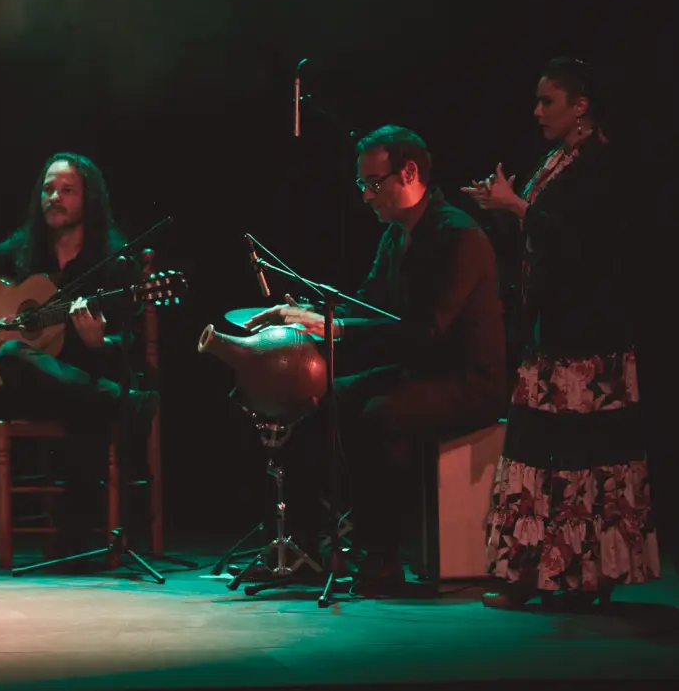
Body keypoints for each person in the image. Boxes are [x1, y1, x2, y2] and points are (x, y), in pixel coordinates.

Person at [246, 125, 506, 595]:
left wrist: (338, 328)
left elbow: (428, 332)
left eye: (373, 182)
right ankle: (301, 546)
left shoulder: (458, 236)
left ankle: (381, 559)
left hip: (468, 380)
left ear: (409, 172)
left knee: (377, 415)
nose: (366, 195)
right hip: (417, 372)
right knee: (315, 401)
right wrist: (307, 315)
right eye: (361, 184)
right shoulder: (395, 236)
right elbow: (364, 305)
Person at [464, 57, 658, 608]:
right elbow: (541, 238)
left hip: (587, 342)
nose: (537, 111)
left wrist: (517, 206)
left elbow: (584, 246)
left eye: (548, 101)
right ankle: (535, 576)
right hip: (552, 334)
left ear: (581, 106)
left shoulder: (602, 164)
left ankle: (576, 581)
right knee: (538, 454)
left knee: (580, 461)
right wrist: (505, 209)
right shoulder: (559, 159)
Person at [0, 152, 158, 558]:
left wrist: (98, 343)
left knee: (81, 408)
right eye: (48, 189)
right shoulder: (25, 246)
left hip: (84, 378)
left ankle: (73, 538)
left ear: (88, 199)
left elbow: (131, 343)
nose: (54, 197)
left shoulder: (113, 259)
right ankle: (122, 405)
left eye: (67, 190)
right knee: (11, 355)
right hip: (38, 384)